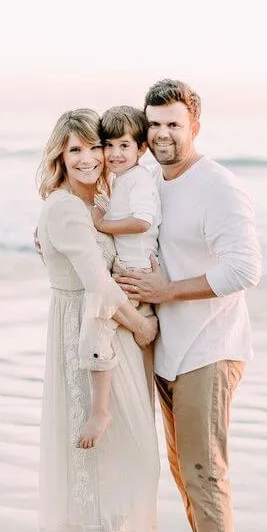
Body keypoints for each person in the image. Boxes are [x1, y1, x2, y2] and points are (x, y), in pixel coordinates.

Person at [116, 79, 261, 532]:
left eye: (173, 124)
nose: (162, 134)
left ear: (195, 125)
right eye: (153, 124)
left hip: (212, 345)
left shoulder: (219, 187)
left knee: (204, 466)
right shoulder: (151, 179)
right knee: (182, 465)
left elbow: (244, 269)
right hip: (170, 346)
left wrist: (166, 292)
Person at [35, 108, 161, 532]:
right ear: (59, 158)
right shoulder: (67, 208)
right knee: (103, 462)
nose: (88, 159)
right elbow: (99, 284)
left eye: (94, 148)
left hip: (108, 333)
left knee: (125, 463)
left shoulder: (101, 202)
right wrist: (144, 327)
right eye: (75, 150)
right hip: (87, 338)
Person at [90, 105, 161, 399]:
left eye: (124, 145)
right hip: (127, 265)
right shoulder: (123, 179)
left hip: (135, 270)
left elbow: (142, 221)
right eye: (109, 145)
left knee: (101, 328)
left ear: (141, 148)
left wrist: (104, 224)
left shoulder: (138, 179)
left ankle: (103, 401)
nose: (115, 153)